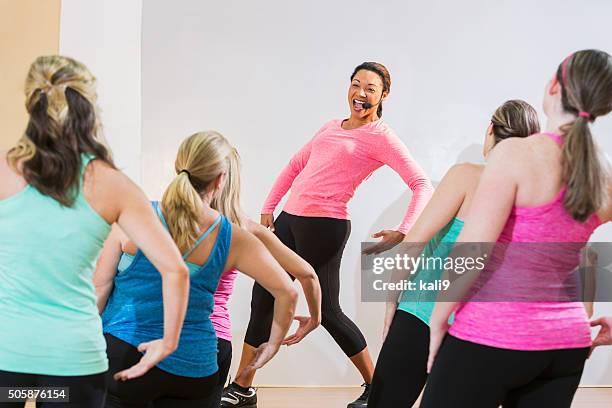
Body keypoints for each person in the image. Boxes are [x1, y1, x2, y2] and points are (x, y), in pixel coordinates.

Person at [223, 61, 433, 408]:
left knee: (328, 311)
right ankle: (242, 387)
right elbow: (295, 164)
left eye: (370, 88)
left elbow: (420, 183)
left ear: (383, 96)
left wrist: (403, 230)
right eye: (355, 84)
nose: (360, 94)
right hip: (290, 220)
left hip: (326, 226)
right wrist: (269, 207)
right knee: (262, 298)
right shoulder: (329, 127)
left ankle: (375, 389)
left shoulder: (382, 137)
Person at [422, 49, 612, 408]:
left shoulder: (516, 154)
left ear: (554, 85)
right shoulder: (603, 175)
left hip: (491, 335)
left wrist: (437, 320)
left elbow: (471, 253)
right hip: (566, 345)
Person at [0, 55, 190, 407]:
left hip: (6, 357)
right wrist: (168, 342)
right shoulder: (112, 184)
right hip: (72, 363)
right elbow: (175, 270)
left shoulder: (4, 170)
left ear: (31, 102)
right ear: (90, 106)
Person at [94, 132, 299, 407]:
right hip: (195, 365)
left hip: (124, 354)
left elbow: (99, 288)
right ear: (221, 179)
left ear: (178, 165)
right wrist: (273, 343)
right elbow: (288, 291)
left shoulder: (133, 216)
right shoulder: (234, 237)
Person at [367, 99, 541, 407]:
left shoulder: (467, 176)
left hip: (422, 312)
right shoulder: (532, 197)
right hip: (478, 331)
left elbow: (414, 244)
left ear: (490, 130)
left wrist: (391, 302)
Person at [208, 148, 322, 407]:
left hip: (161, 339)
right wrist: (315, 318)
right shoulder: (247, 229)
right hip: (213, 344)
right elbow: (307, 274)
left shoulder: (163, 219)